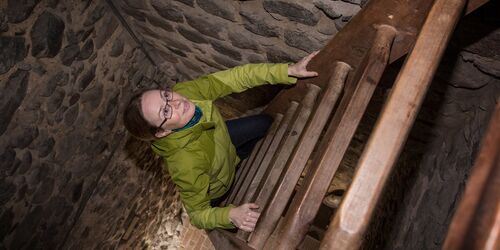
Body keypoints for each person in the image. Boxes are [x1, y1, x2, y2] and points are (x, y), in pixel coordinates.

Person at [123, 51, 319, 232]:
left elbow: (234, 78)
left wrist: (286, 70)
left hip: (221, 140)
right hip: (220, 183)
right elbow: (197, 215)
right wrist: (229, 215)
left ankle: (241, 156)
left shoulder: (186, 92)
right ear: (162, 132)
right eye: (165, 111)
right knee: (237, 225)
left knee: (264, 123)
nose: (175, 102)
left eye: (165, 95)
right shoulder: (185, 164)